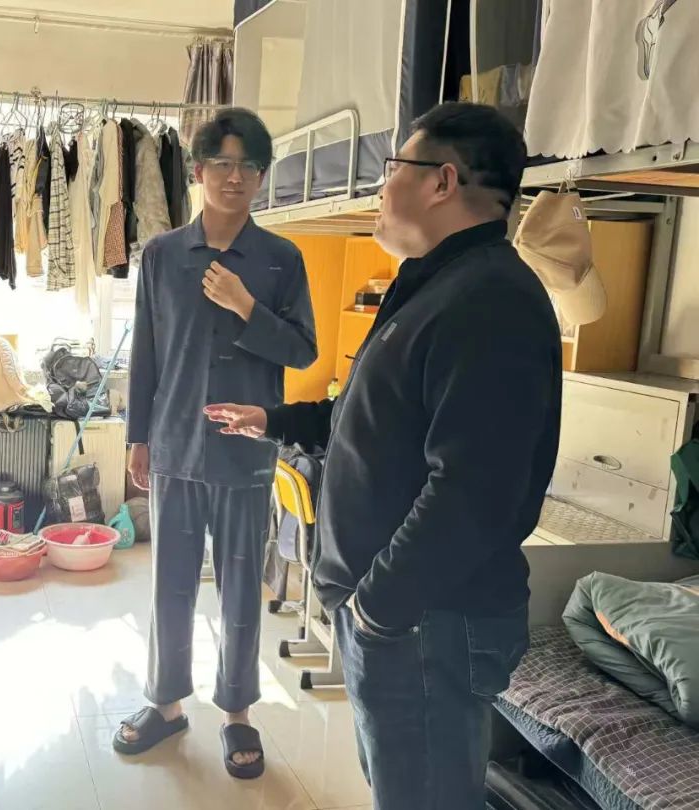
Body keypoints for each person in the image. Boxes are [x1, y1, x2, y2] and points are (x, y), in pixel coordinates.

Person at [206, 102, 562, 808]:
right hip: (403, 617)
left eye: (394, 166)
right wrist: (273, 420)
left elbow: (473, 491)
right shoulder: (431, 284)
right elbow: (364, 418)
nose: (379, 184)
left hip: (425, 618)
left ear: (442, 181)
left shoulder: (490, 300)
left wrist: (377, 609)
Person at [116, 108, 317, 779]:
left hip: (244, 451)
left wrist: (246, 307)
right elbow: (146, 353)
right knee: (169, 588)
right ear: (198, 171)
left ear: (261, 176)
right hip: (174, 444)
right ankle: (167, 705)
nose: (235, 177)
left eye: (249, 165)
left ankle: (237, 713)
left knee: (239, 591)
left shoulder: (282, 259)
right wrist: (138, 436)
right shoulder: (162, 255)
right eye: (222, 164)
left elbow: (303, 350)